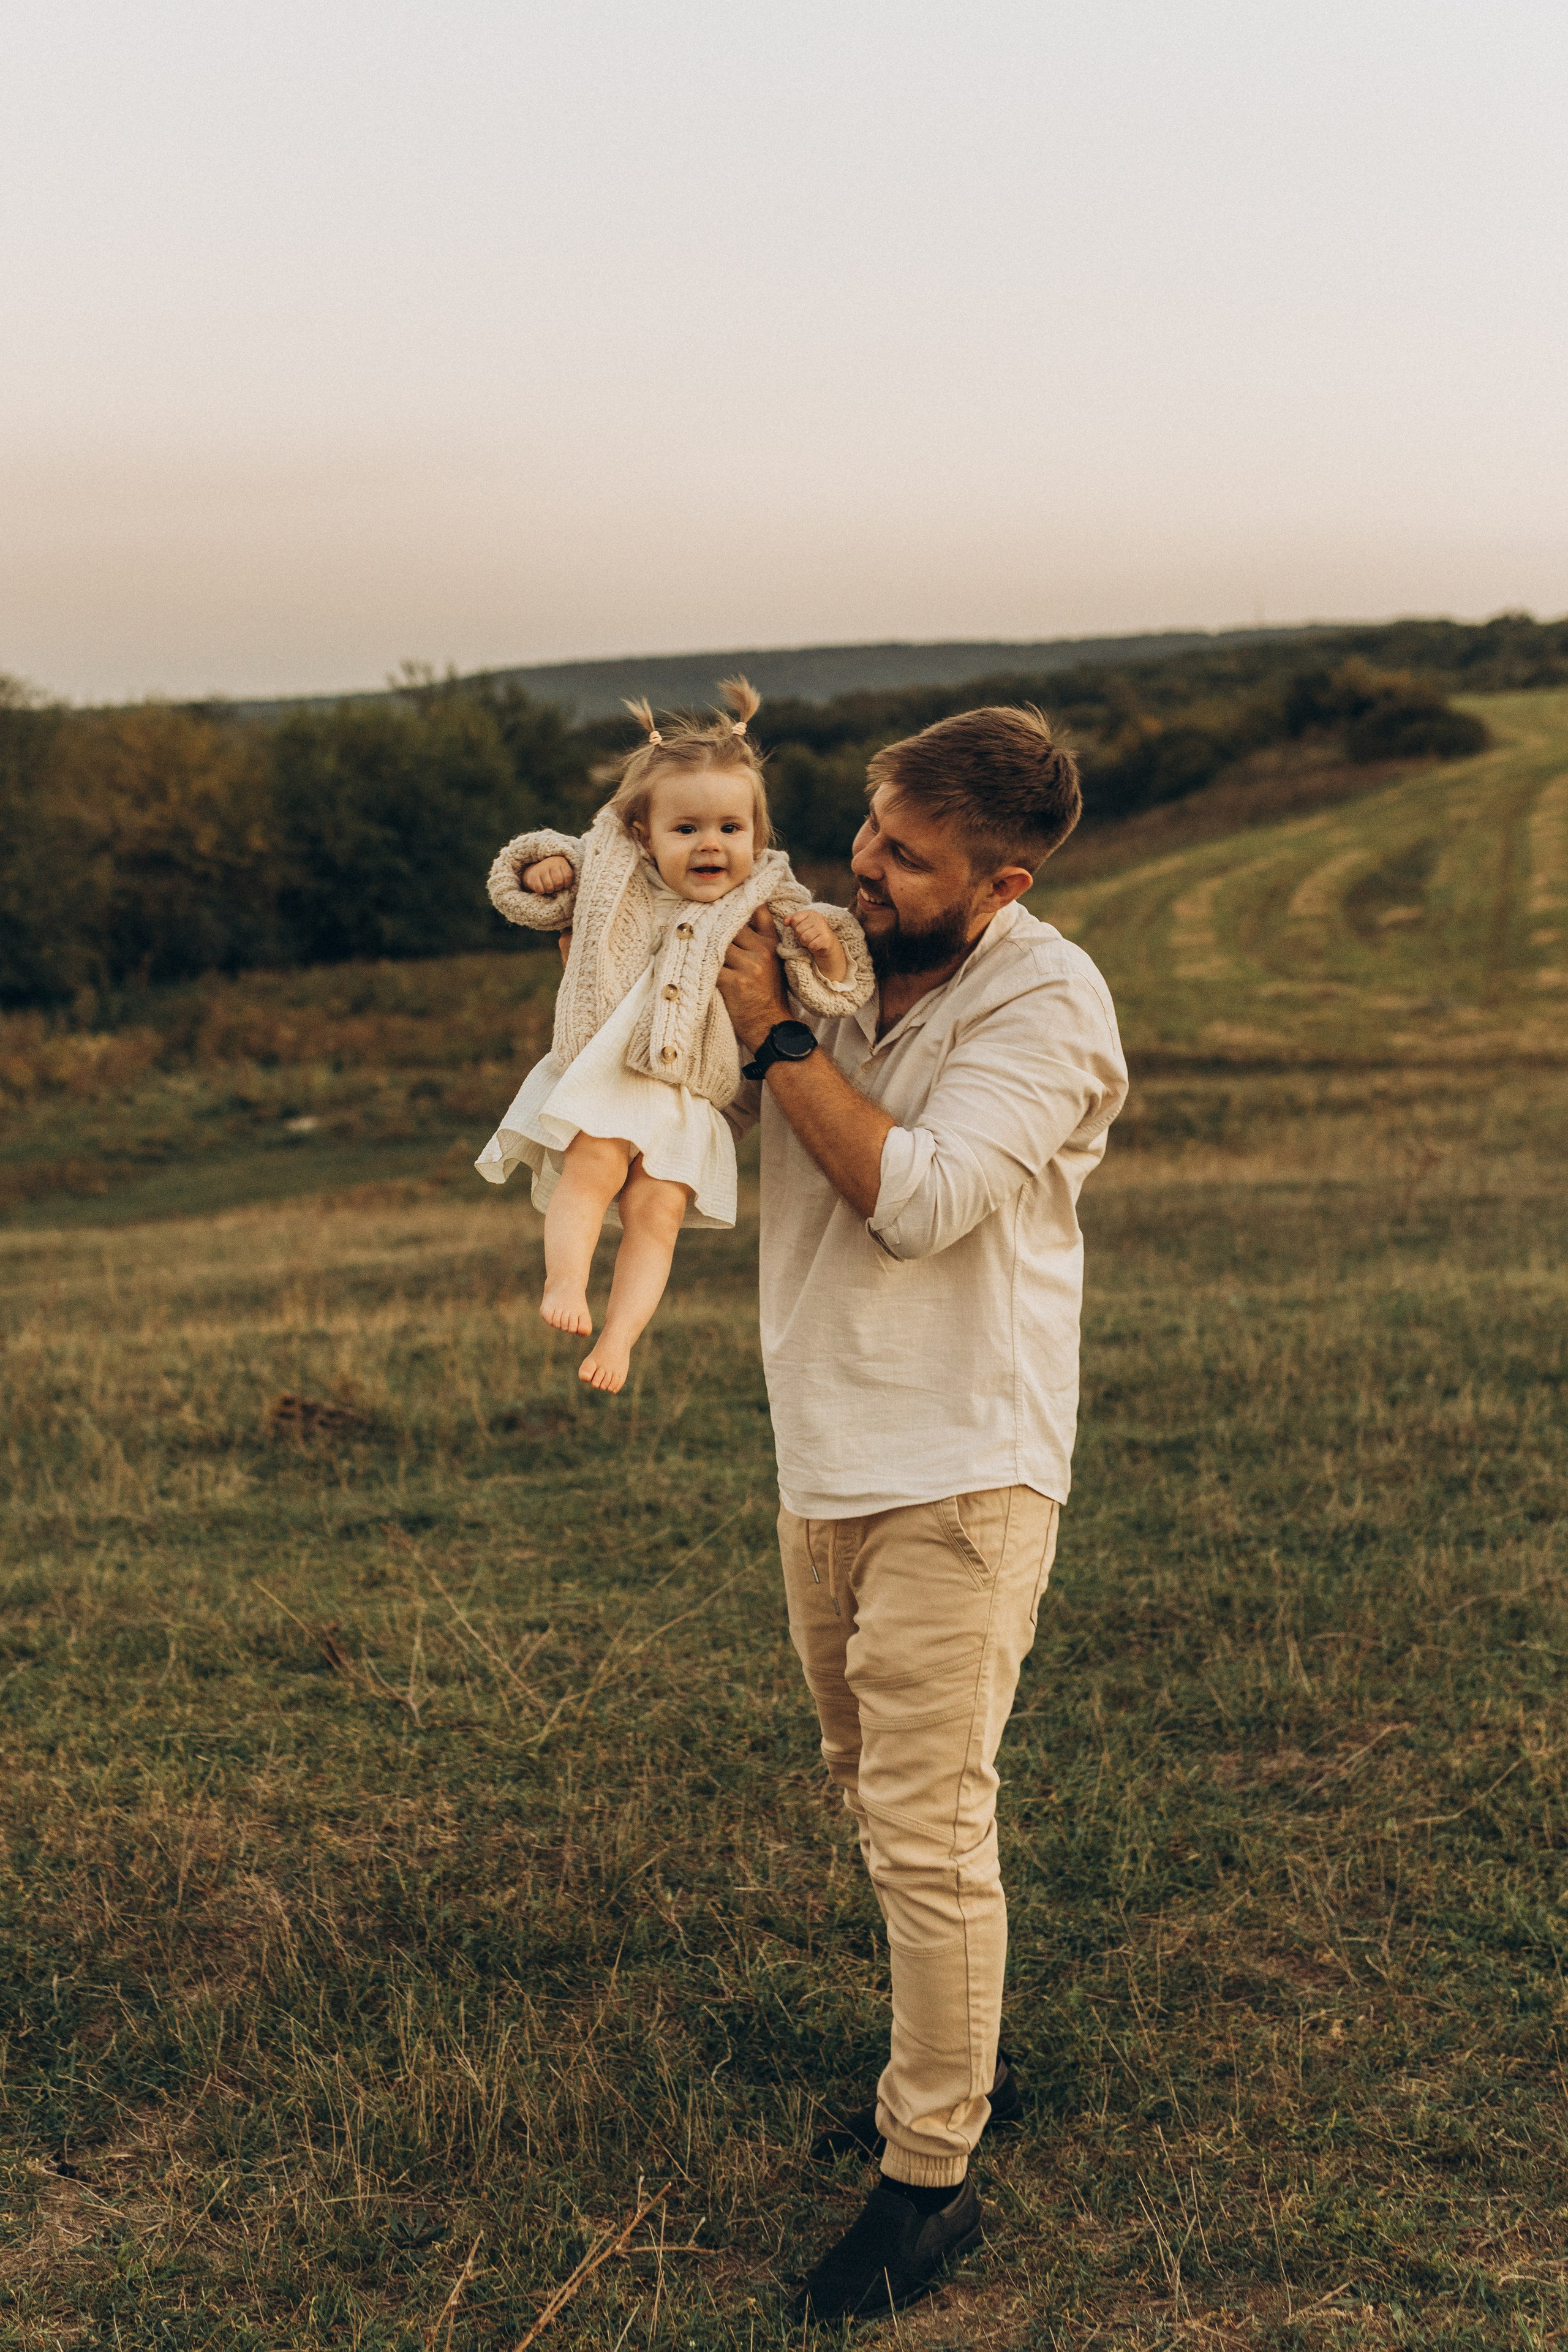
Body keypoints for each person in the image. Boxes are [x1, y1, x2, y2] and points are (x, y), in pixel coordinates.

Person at [715, 703, 1128, 2323]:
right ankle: (944, 2064)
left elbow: (925, 1202)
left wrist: (776, 1045)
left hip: (965, 1457)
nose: (866, 870)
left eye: (908, 857)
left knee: (930, 1812)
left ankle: (929, 2177)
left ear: (1004, 878)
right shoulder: (833, 950)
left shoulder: (1049, 999)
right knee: (868, 1789)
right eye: (870, 833)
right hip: (823, 1440)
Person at [475, 679, 872, 1391]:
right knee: (593, 1169)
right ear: (643, 834)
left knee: (656, 1212)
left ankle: (621, 1340)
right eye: (685, 830)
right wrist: (542, 869)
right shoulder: (614, 873)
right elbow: (520, 887)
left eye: (730, 828)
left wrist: (826, 944)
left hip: (691, 1092)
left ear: (757, 834)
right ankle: (564, 1280)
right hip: (610, 1072)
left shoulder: (771, 895)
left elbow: (834, 988)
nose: (710, 845)